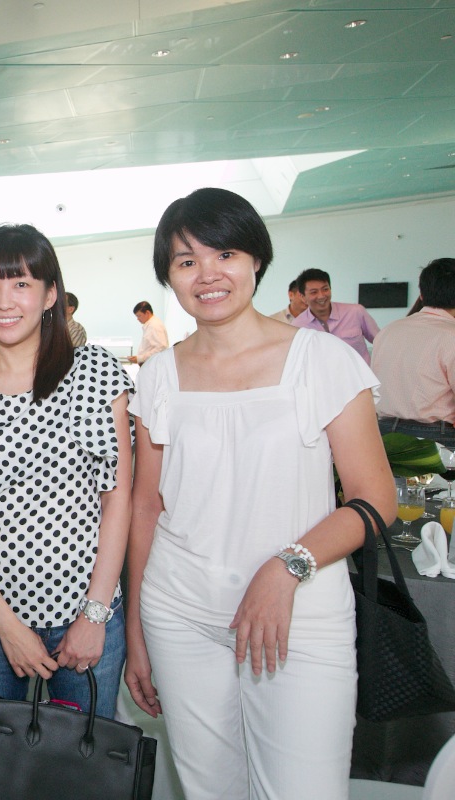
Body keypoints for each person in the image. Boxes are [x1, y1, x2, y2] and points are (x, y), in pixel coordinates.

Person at [125, 187, 396, 799]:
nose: (207, 274)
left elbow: (374, 498)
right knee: (210, 790)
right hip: (180, 612)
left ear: (256, 260)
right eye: (186, 261)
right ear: (169, 276)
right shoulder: (160, 375)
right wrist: (136, 629)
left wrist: (287, 566)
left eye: (224, 254)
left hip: (299, 613)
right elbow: (147, 505)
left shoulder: (321, 360)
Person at [0, 223, 133, 726]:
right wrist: (6, 626)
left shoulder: (93, 374)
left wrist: (95, 614)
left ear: (50, 294)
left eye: (21, 283)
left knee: (85, 759)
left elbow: (117, 499)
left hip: (86, 612)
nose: (4, 300)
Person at [372, 257, 455, 447]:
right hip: (436, 438)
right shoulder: (451, 334)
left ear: (422, 295)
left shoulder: (388, 331)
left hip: (383, 434)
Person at [291, 268, 380, 364]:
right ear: (303, 297)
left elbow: (381, 342)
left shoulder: (355, 312)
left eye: (325, 289)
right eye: (314, 292)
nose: (321, 296)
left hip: (361, 373)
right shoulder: (297, 326)